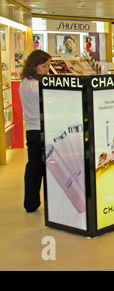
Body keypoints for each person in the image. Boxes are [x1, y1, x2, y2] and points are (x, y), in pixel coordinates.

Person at [19, 50, 52, 212]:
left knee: (33, 167)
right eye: (44, 66)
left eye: (48, 66)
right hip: (41, 130)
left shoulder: (24, 81)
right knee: (45, 168)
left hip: (31, 130)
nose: (47, 69)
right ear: (35, 66)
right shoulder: (37, 86)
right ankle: (48, 203)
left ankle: (30, 203)